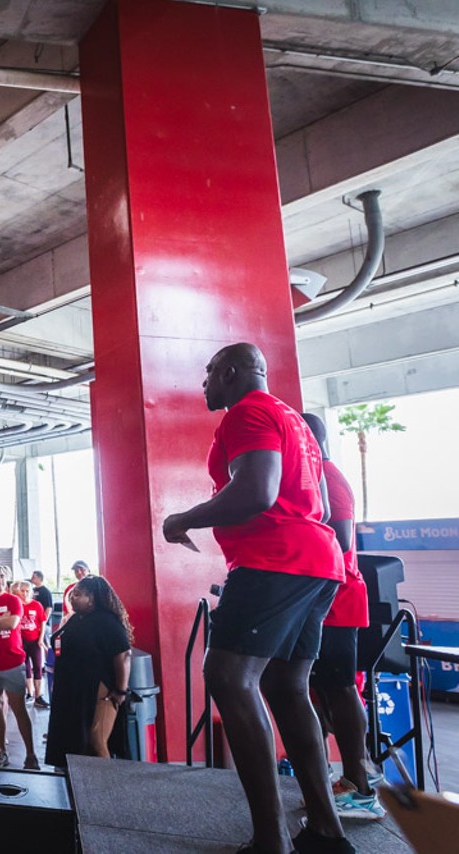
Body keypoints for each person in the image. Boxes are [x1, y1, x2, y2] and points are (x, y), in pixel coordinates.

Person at [162, 342, 349, 854]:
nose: (203, 384)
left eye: (208, 374)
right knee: (288, 686)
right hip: (319, 561)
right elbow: (326, 504)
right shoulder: (295, 422)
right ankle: (327, 831)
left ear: (231, 372)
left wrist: (181, 519)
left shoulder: (247, 414)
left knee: (226, 675)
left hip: (275, 561)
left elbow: (256, 493)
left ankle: (272, 839)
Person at [301, 412, 383, 821]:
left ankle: (360, 783)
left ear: (312, 441)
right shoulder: (314, 478)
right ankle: (341, 779)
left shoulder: (330, 479)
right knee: (320, 693)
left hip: (337, 599)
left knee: (340, 689)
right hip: (318, 600)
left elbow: (341, 537)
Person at [45, 575, 133, 765]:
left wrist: (120, 690)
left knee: (96, 740)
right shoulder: (76, 619)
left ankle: (107, 788)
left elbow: (124, 655)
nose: (72, 598)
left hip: (97, 687)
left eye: (78, 595)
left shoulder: (107, 621)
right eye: (73, 594)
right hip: (72, 688)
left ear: (92, 598)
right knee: (76, 741)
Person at [0, 566, 39, 770]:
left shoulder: (13, 600)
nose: (0, 579)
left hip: (13, 662)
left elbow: (13, 622)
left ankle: (31, 753)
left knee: (19, 708)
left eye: (2, 576)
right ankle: (1, 749)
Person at [13, 579, 48, 707]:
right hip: (21, 641)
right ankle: (30, 692)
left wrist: (41, 639)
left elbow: (42, 622)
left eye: (27, 591)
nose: (25, 593)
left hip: (34, 640)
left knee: (37, 667)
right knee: (26, 668)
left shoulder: (37, 605)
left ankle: (39, 695)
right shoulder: (17, 605)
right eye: (22, 591)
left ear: (31, 592)